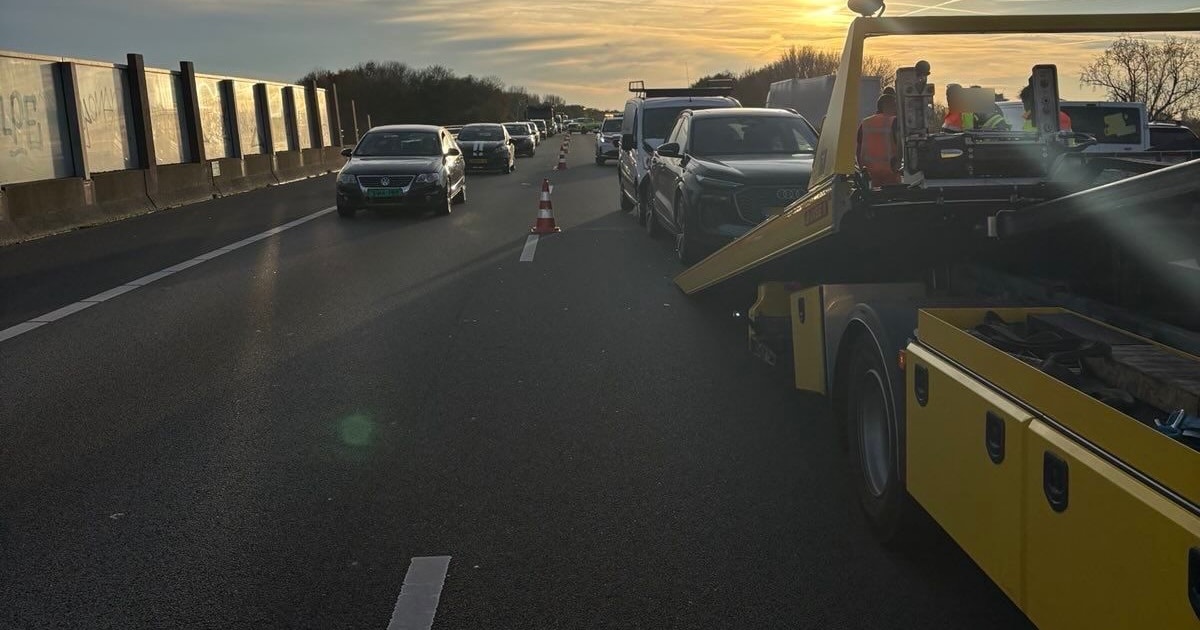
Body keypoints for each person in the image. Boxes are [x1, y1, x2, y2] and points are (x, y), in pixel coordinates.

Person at [856, 91, 901, 187]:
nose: (896, 109)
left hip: (870, 176)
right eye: (894, 106)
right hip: (891, 174)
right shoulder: (893, 121)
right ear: (886, 106)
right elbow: (901, 146)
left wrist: (862, 169)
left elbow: (858, 150)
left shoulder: (865, 123)